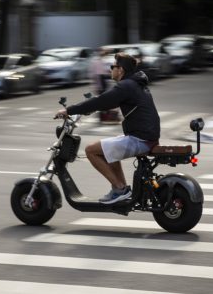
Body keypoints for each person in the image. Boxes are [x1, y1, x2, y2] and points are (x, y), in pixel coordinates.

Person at [56, 52, 160, 204]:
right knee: (107, 148)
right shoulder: (134, 84)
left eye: (112, 66)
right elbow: (108, 103)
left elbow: (101, 100)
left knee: (91, 150)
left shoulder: (126, 85)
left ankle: (119, 189)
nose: (110, 69)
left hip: (141, 139)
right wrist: (89, 109)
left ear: (121, 70)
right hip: (146, 136)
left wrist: (68, 110)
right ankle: (122, 189)